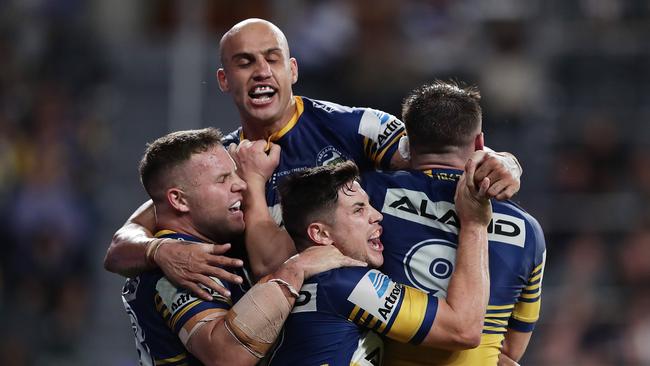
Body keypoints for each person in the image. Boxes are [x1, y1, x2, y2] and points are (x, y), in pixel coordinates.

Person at [104, 18, 522, 298]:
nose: (262, 72)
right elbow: (121, 246)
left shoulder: (355, 127)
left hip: (363, 324)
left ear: (293, 70)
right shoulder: (219, 166)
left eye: (272, 59)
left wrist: (504, 160)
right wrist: (159, 252)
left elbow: (442, 155)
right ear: (223, 80)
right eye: (245, 63)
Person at [122, 128, 365, 365]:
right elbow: (226, 357)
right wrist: (295, 268)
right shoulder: (180, 267)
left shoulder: (202, 247)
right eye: (223, 179)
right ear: (179, 200)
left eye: (235, 174)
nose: (241, 185)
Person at [360, 81, 547, 365]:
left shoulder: (367, 195)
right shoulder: (527, 229)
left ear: (407, 144)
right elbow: (509, 352)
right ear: (480, 144)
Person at [266, 160, 491, 365]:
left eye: (369, 204)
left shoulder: (304, 282)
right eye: (359, 209)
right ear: (321, 234)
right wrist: (475, 225)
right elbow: (463, 329)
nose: (377, 215)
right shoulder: (344, 283)